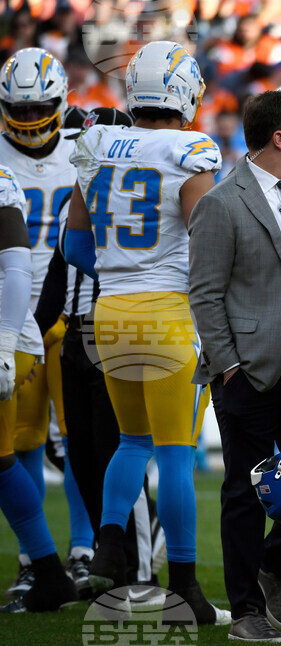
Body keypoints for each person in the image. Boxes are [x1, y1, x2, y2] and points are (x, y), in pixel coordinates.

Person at [64, 41, 227, 625]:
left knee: (131, 443)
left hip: (109, 312)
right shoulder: (190, 149)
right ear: (185, 92)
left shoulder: (97, 144)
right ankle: (184, 589)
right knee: (176, 454)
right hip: (168, 314)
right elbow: (208, 244)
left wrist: (122, 271)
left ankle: (109, 547)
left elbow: (73, 245)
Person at [189, 89, 281, 642]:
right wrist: (228, 368)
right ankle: (245, 610)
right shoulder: (221, 202)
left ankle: (273, 567)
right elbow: (204, 292)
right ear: (279, 137)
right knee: (245, 493)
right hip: (247, 369)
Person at [34, 106, 166, 600]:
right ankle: (112, 564)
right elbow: (57, 276)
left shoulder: (135, 202)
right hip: (74, 338)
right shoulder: (81, 201)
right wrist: (28, 337)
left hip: (115, 332)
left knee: (120, 454)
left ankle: (142, 573)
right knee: (84, 459)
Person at [0, 47, 92, 596]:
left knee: (79, 439)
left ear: (60, 103)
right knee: (23, 441)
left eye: (40, 108)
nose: (31, 119)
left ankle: (83, 550)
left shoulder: (86, 145)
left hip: (72, 308)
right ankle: (33, 559)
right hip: (14, 316)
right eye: (21, 109)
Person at [0, 163, 77, 613]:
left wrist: (7, 343)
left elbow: (16, 269)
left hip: (10, 332)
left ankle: (58, 567)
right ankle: (48, 572)